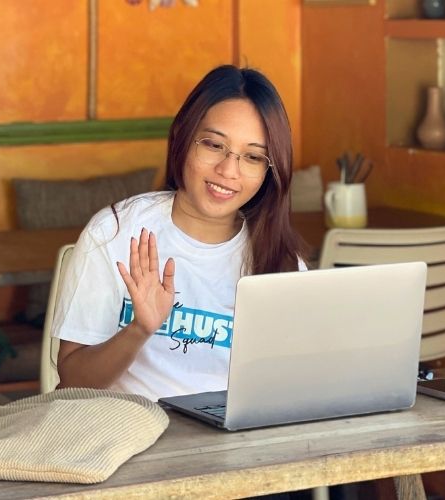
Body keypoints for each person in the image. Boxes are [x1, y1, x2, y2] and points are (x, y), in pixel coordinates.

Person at [52, 64, 308, 401]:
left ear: (269, 170)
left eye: (253, 157)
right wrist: (139, 329)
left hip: (234, 444)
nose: (228, 170)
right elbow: (72, 382)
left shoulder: (283, 264)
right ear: (184, 138)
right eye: (214, 146)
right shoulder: (115, 232)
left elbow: (291, 389)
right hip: (129, 432)